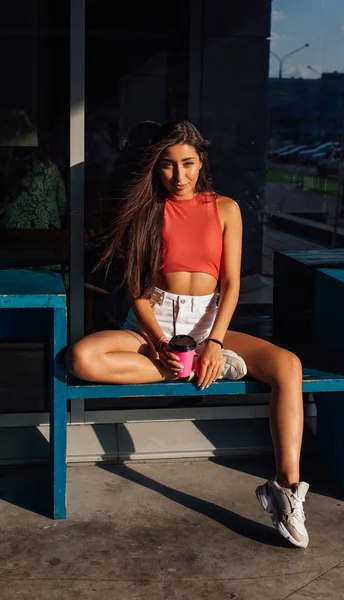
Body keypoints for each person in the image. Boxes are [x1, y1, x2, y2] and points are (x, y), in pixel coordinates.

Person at [67, 120, 309, 548]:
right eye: (167, 166)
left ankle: (285, 490)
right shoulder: (145, 212)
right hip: (154, 321)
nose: (179, 176)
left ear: (202, 162)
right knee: (82, 358)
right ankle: (180, 368)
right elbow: (138, 290)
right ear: (155, 169)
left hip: (209, 322)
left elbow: (231, 284)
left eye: (188, 163)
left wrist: (214, 342)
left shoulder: (226, 209)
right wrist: (160, 343)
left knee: (288, 365)